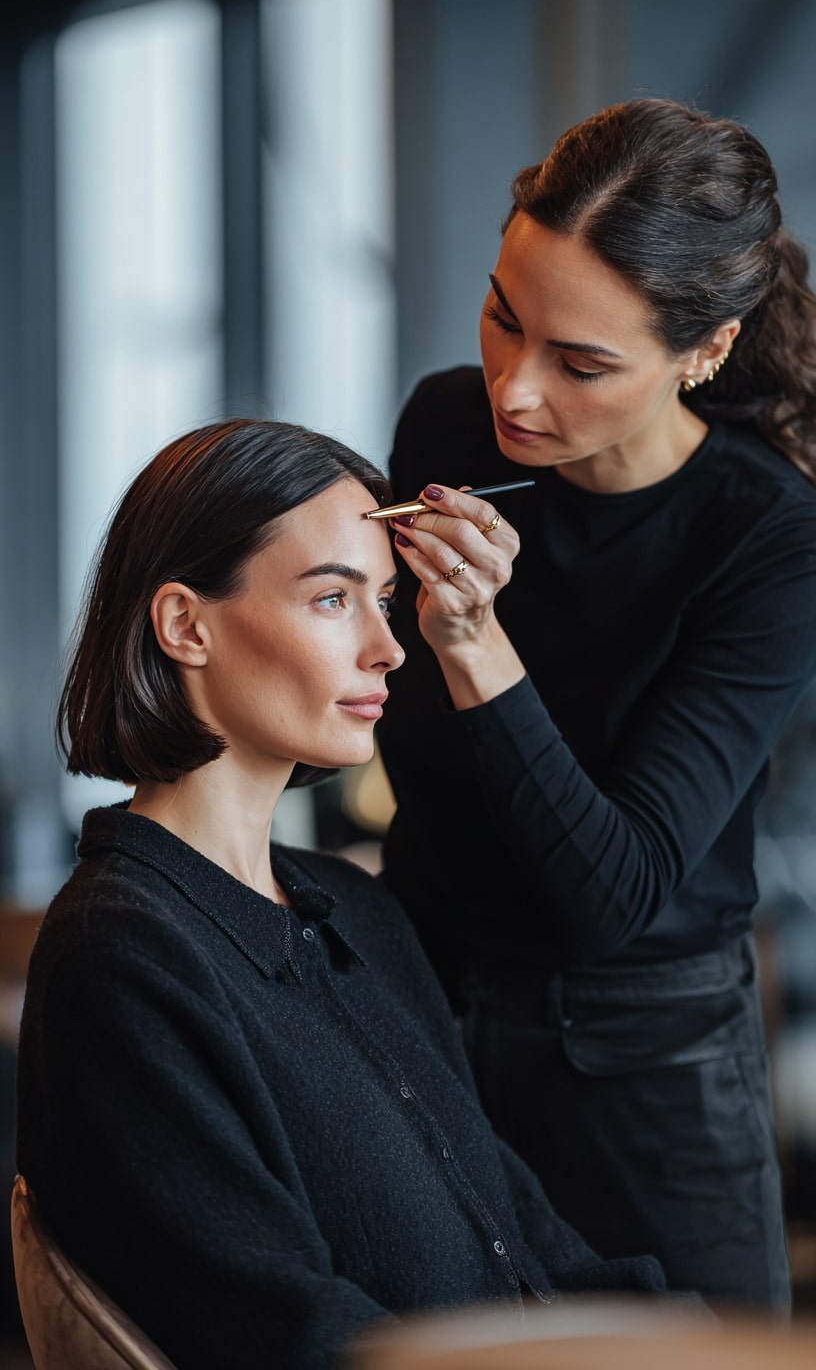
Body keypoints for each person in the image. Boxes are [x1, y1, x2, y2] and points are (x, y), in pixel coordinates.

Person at [14, 419, 672, 1370]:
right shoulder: (120, 955)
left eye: (388, 601)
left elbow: (524, 1231)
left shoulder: (354, 908)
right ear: (185, 626)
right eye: (333, 599)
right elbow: (278, 1330)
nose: (390, 649)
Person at [375, 97, 816, 1315]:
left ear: (705, 350)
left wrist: (472, 639)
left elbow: (609, 893)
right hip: (428, 1013)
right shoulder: (445, 424)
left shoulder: (765, 535)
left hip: (646, 1066)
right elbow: (375, 712)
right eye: (503, 318)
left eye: (581, 363)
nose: (516, 392)